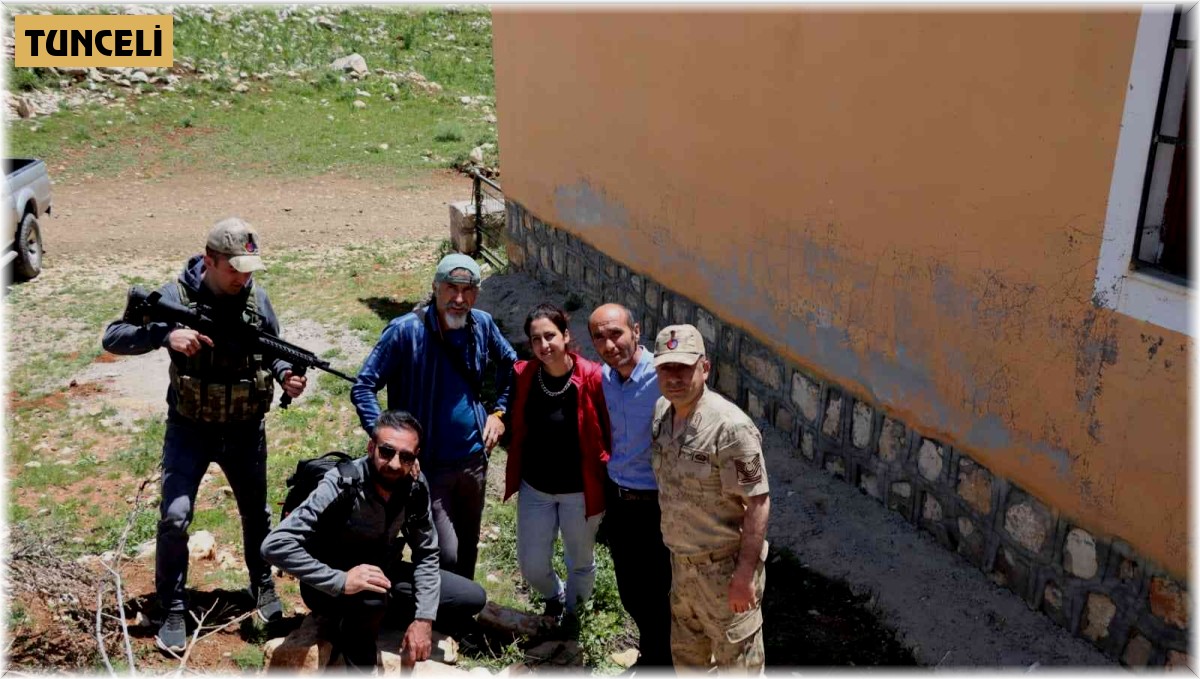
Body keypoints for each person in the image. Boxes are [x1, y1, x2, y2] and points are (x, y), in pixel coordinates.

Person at [101, 218, 307, 653]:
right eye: (234, 268)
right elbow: (113, 337)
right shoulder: (173, 296)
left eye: (249, 268)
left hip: (245, 429)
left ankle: (262, 584)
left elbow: (272, 350)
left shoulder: (256, 300)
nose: (243, 277)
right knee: (175, 517)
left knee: (257, 514)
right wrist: (165, 335)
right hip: (189, 428)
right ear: (209, 260)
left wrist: (287, 373)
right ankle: (172, 606)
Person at [262, 410, 487, 669]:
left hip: (383, 573)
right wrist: (341, 580)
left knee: (471, 597)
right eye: (387, 451)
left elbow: (426, 553)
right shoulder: (342, 483)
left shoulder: (414, 487)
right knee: (371, 600)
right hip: (330, 584)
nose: (394, 463)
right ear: (371, 447)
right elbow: (274, 545)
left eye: (406, 456)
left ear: (415, 457)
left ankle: (377, 616)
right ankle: (355, 651)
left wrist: (424, 618)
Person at [350, 253, 517, 580]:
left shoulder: (481, 324)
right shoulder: (404, 331)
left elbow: (511, 365)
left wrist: (499, 413)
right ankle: (431, 615)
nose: (459, 298)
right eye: (450, 288)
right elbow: (363, 386)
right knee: (444, 555)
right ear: (435, 288)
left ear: (477, 293)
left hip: (474, 461)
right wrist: (391, 445)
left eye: (467, 289)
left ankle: (459, 619)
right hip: (427, 467)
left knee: (468, 545)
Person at [650, 324, 771, 671]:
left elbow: (758, 502)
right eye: (665, 367)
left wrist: (745, 575)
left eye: (683, 367)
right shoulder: (662, 412)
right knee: (689, 662)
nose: (674, 377)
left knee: (739, 667)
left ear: (704, 367)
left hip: (725, 570)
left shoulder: (730, 428)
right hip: (682, 568)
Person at [503, 303, 611, 623]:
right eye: (536, 339)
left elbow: (609, 428)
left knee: (580, 559)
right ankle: (554, 595)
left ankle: (574, 617)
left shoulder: (592, 377)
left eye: (550, 335)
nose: (543, 345)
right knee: (532, 564)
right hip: (536, 488)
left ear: (565, 335)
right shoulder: (525, 376)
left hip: (580, 490)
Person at [588, 303, 673, 668]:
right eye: (599, 337)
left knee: (663, 590)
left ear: (636, 331)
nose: (609, 344)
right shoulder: (604, 378)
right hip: (619, 501)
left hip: (658, 503)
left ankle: (664, 660)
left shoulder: (665, 376)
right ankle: (653, 652)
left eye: (616, 333)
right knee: (631, 591)